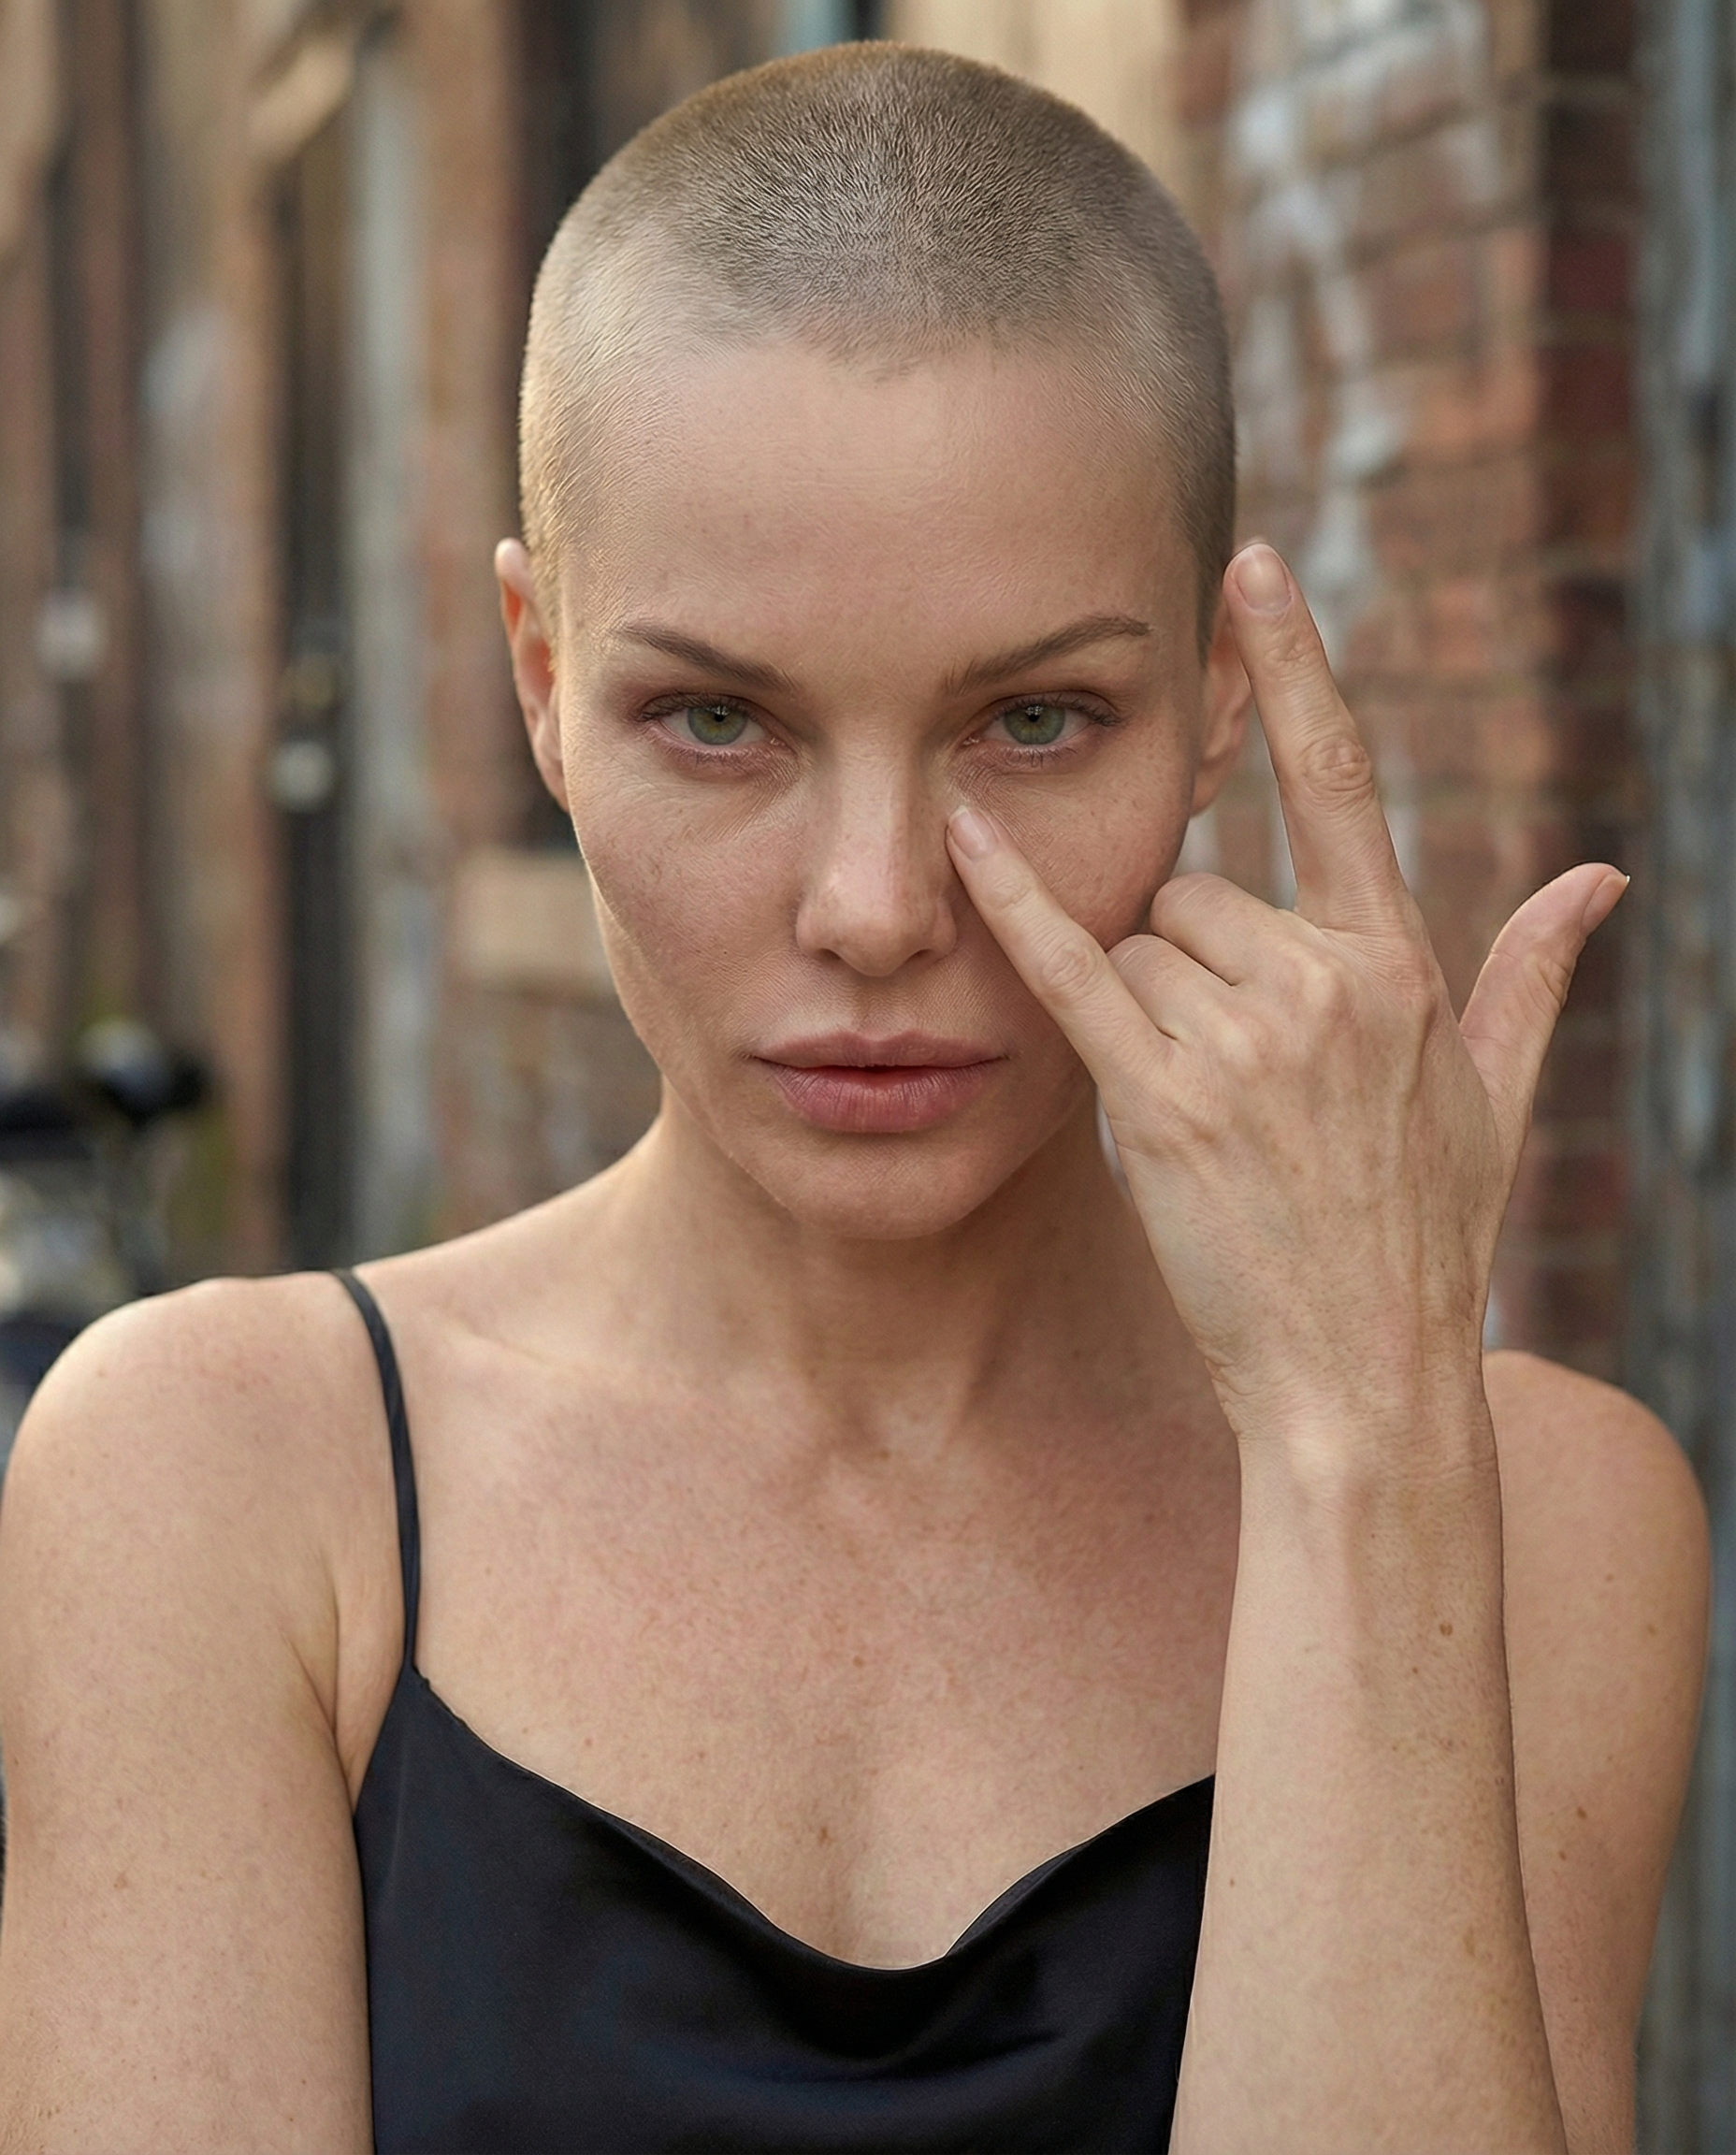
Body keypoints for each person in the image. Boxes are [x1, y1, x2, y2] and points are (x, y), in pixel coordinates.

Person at [0, 43, 1706, 2155]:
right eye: (713, 718)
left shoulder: (1528, 1513)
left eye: (1035, 718)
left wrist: (1361, 1442)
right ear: (541, 680)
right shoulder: (220, 1482)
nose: (876, 908)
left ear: (1210, 712)